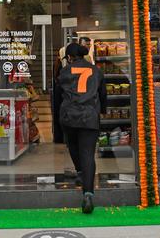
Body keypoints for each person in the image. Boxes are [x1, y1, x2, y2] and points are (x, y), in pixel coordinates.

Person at [58, 42, 107, 214]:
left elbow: (59, 95)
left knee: (73, 146)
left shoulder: (65, 71)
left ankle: (80, 172)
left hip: (69, 116)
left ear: (69, 57)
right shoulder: (96, 71)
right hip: (89, 115)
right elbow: (103, 94)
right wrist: (103, 111)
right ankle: (88, 193)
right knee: (88, 153)